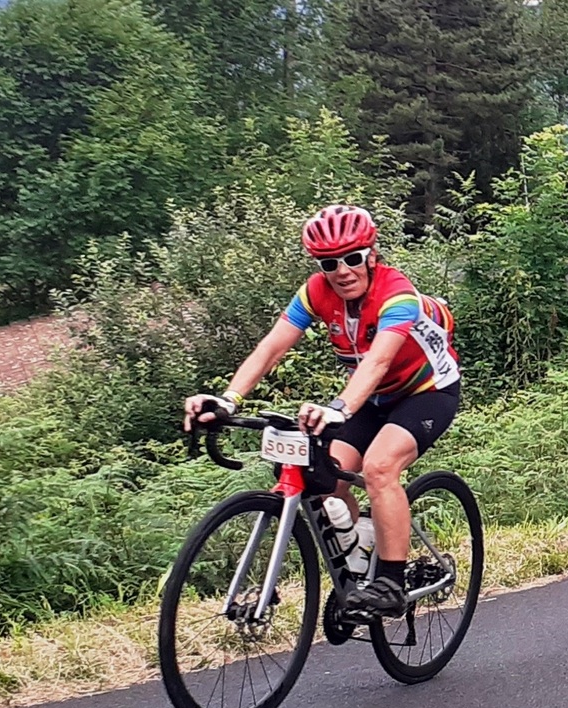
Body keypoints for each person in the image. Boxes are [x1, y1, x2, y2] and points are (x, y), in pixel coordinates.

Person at [183, 205, 460, 617]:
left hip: (425, 390)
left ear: (371, 254)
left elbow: (379, 361)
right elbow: (272, 347)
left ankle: (391, 582)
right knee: (325, 476)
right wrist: (229, 398)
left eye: (352, 258)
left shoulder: (396, 292)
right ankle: (360, 551)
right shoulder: (316, 291)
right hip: (371, 397)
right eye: (329, 262)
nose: (342, 270)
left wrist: (339, 408)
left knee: (380, 468)